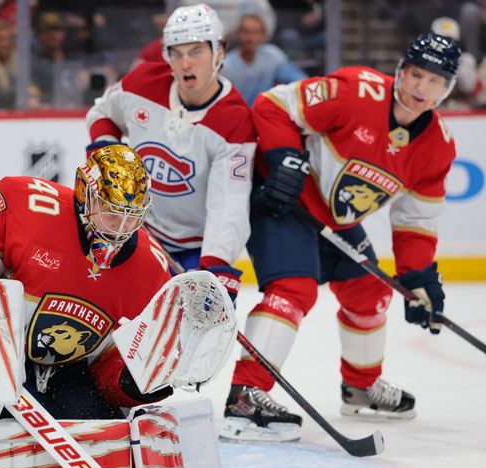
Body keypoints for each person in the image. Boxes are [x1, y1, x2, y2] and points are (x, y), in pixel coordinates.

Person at [219, 32, 460, 442]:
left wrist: (417, 277)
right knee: (294, 289)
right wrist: (283, 156)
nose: (421, 88)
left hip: (334, 216)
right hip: (284, 196)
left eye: (435, 80)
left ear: (448, 88)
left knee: (370, 291)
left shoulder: (437, 146)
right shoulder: (355, 91)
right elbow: (274, 104)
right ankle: (246, 395)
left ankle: (361, 387)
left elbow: (415, 221)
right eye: (416, 74)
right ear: (401, 71)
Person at [0, 145, 174, 421]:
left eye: (132, 215)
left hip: (67, 373)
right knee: (10, 420)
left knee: (95, 427)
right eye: (110, 211)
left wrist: (131, 382)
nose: (121, 227)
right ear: (86, 192)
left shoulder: (152, 269)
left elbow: (111, 366)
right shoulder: (21, 201)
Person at [85, 3, 255, 304]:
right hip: (137, 233)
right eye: (176, 53)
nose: (185, 63)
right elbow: (102, 112)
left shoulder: (234, 122)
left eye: (196, 52)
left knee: (193, 332)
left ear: (219, 52)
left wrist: (215, 266)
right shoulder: (142, 83)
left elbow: (228, 204)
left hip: (194, 247)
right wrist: (106, 150)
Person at [223, 11, 306, 106]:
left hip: (267, 113)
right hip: (239, 116)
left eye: (256, 32)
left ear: (264, 35)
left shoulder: (273, 55)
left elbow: (298, 80)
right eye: (246, 32)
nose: (251, 38)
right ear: (238, 34)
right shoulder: (227, 65)